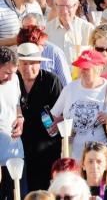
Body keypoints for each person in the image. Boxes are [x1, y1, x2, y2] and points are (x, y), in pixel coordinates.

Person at [52, 48, 107, 159]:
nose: (82, 71)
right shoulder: (70, 88)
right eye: (81, 67)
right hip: (73, 156)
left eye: (87, 68)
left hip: (101, 158)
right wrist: (61, 127)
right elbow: (54, 117)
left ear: (99, 69)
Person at [17, 41, 62, 193]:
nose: (28, 68)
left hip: (46, 146)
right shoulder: (12, 80)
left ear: (39, 63)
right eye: (23, 64)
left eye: (32, 63)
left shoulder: (51, 81)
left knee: (44, 189)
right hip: (19, 145)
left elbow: (61, 113)